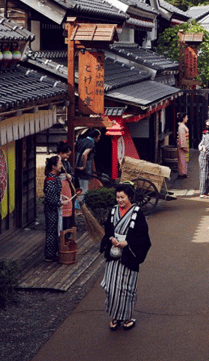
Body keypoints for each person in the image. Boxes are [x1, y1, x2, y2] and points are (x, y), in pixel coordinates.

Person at [100, 183, 152, 330]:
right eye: (117, 197)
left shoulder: (137, 212)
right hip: (113, 253)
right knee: (111, 286)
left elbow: (142, 235)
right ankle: (115, 316)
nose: (120, 200)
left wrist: (127, 242)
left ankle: (128, 317)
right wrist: (111, 239)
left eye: (122, 197)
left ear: (129, 197)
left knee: (126, 288)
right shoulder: (113, 211)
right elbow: (108, 229)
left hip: (129, 254)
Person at [43, 155, 64, 262]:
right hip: (51, 209)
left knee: (55, 230)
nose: (61, 166)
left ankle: (54, 252)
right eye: (59, 164)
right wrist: (60, 202)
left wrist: (62, 198)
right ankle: (49, 255)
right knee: (51, 232)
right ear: (54, 166)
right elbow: (51, 199)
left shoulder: (54, 177)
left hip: (54, 209)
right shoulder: (50, 180)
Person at [75, 128, 100, 209]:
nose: (99, 139)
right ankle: (78, 208)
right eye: (99, 137)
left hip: (76, 167)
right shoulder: (90, 143)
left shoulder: (81, 141)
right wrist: (84, 166)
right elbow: (85, 154)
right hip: (84, 169)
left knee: (80, 187)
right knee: (84, 189)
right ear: (95, 137)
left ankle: (78, 206)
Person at [57, 141, 76, 229]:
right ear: (61, 152)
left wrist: (70, 176)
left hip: (66, 186)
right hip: (58, 186)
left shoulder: (66, 163)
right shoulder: (55, 161)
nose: (67, 157)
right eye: (66, 154)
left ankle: (66, 230)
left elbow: (72, 173)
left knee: (67, 205)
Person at [176, 112, 190, 178]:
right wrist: (184, 146)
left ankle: (183, 173)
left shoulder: (182, 126)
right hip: (182, 145)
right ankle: (182, 173)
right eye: (186, 117)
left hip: (185, 143)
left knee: (184, 160)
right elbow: (182, 138)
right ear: (183, 118)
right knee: (182, 160)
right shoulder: (181, 127)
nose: (187, 119)